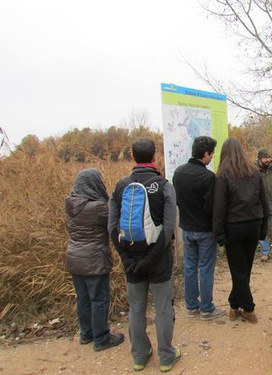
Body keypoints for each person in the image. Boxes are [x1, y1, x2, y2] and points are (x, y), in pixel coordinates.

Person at [108, 138, 180, 372]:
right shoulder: (164, 185)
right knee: (162, 309)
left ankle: (140, 355)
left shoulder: (120, 186)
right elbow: (169, 228)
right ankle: (167, 357)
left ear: (133, 157)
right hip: (159, 259)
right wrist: (152, 257)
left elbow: (111, 228)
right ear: (154, 157)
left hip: (131, 259)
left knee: (136, 308)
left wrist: (126, 258)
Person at [65, 168, 124, 352]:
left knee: (83, 298)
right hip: (94, 259)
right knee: (99, 298)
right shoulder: (97, 208)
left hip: (74, 257)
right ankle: (101, 338)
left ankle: (86, 333)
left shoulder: (71, 203)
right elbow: (115, 222)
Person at [213, 138, 269, 323]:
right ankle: (234, 305)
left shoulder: (223, 175)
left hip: (234, 228)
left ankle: (249, 309)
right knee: (244, 269)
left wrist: (219, 234)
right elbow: (264, 202)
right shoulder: (254, 172)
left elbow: (219, 208)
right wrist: (263, 229)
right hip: (253, 225)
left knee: (238, 270)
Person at [172, 136, 226, 320]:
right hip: (204, 230)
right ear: (205, 154)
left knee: (189, 267)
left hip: (186, 228)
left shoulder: (178, 173)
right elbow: (212, 207)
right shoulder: (208, 177)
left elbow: (177, 199)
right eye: (211, 154)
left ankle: (191, 306)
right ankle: (207, 308)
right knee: (205, 268)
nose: (212, 158)